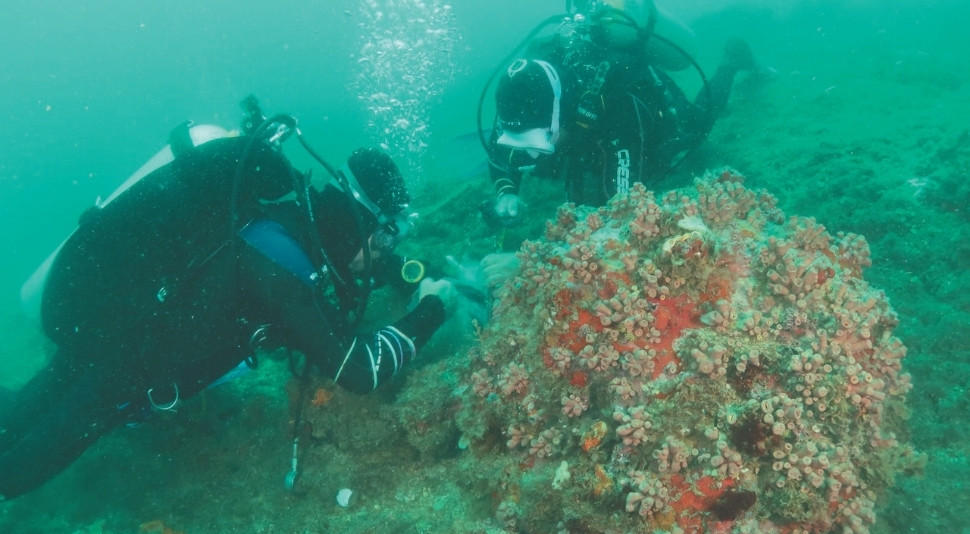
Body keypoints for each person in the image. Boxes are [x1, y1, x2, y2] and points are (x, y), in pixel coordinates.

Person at [0, 99, 457, 501]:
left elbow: (356, 263)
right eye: (382, 240)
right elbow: (360, 369)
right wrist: (434, 308)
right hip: (117, 378)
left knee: (18, 412)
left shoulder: (287, 223)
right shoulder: (282, 270)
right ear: (355, 219)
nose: (382, 255)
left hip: (108, 335)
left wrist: (408, 273)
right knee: (13, 473)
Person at [482, 0, 759, 226]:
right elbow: (500, 152)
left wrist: (539, 257)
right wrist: (506, 193)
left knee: (698, 123)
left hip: (648, 108)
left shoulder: (615, 107)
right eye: (521, 140)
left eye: (539, 140)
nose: (531, 155)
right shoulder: (522, 101)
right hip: (583, 126)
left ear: (562, 116)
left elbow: (621, 206)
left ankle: (731, 62)